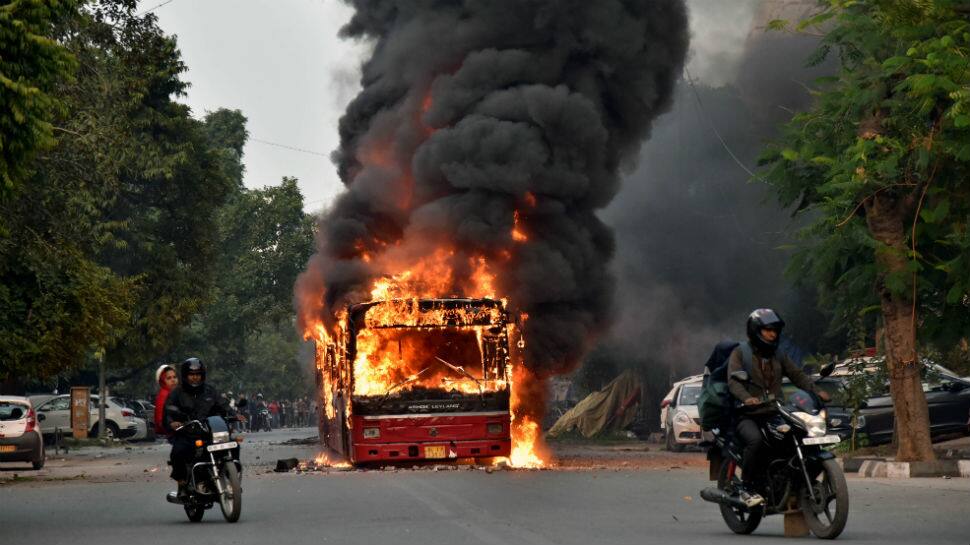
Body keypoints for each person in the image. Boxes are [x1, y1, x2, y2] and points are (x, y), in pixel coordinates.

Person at [727, 308, 830, 508]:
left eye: (775, 330)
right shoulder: (740, 352)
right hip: (747, 414)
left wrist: (817, 391)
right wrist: (747, 398)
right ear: (756, 330)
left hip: (773, 412)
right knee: (755, 441)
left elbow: (797, 375)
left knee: (797, 436)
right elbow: (734, 382)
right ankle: (746, 488)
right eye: (768, 330)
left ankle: (788, 484)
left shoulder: (779, 355)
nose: (773, 334)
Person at [164, 357, 229, 499]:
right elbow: (168, 411)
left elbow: (223, 405)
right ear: (186, 376)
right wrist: (172, 422)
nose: (195, 378)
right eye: (192, 375)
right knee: (178, 452)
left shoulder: (210, 391)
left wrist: (235, 414)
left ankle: (229, 477)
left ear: (202, 375)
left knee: (232, 445)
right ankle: (182, 484)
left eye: (198, 374)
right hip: (187, 433)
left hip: (208, 432)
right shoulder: (177, 393)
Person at [153, 365, 177, 439]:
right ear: (162, 381)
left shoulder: (175, 393)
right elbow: (161, 420)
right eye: (169, 378)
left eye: (174, 377)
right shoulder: (164, 395)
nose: (173, 380)